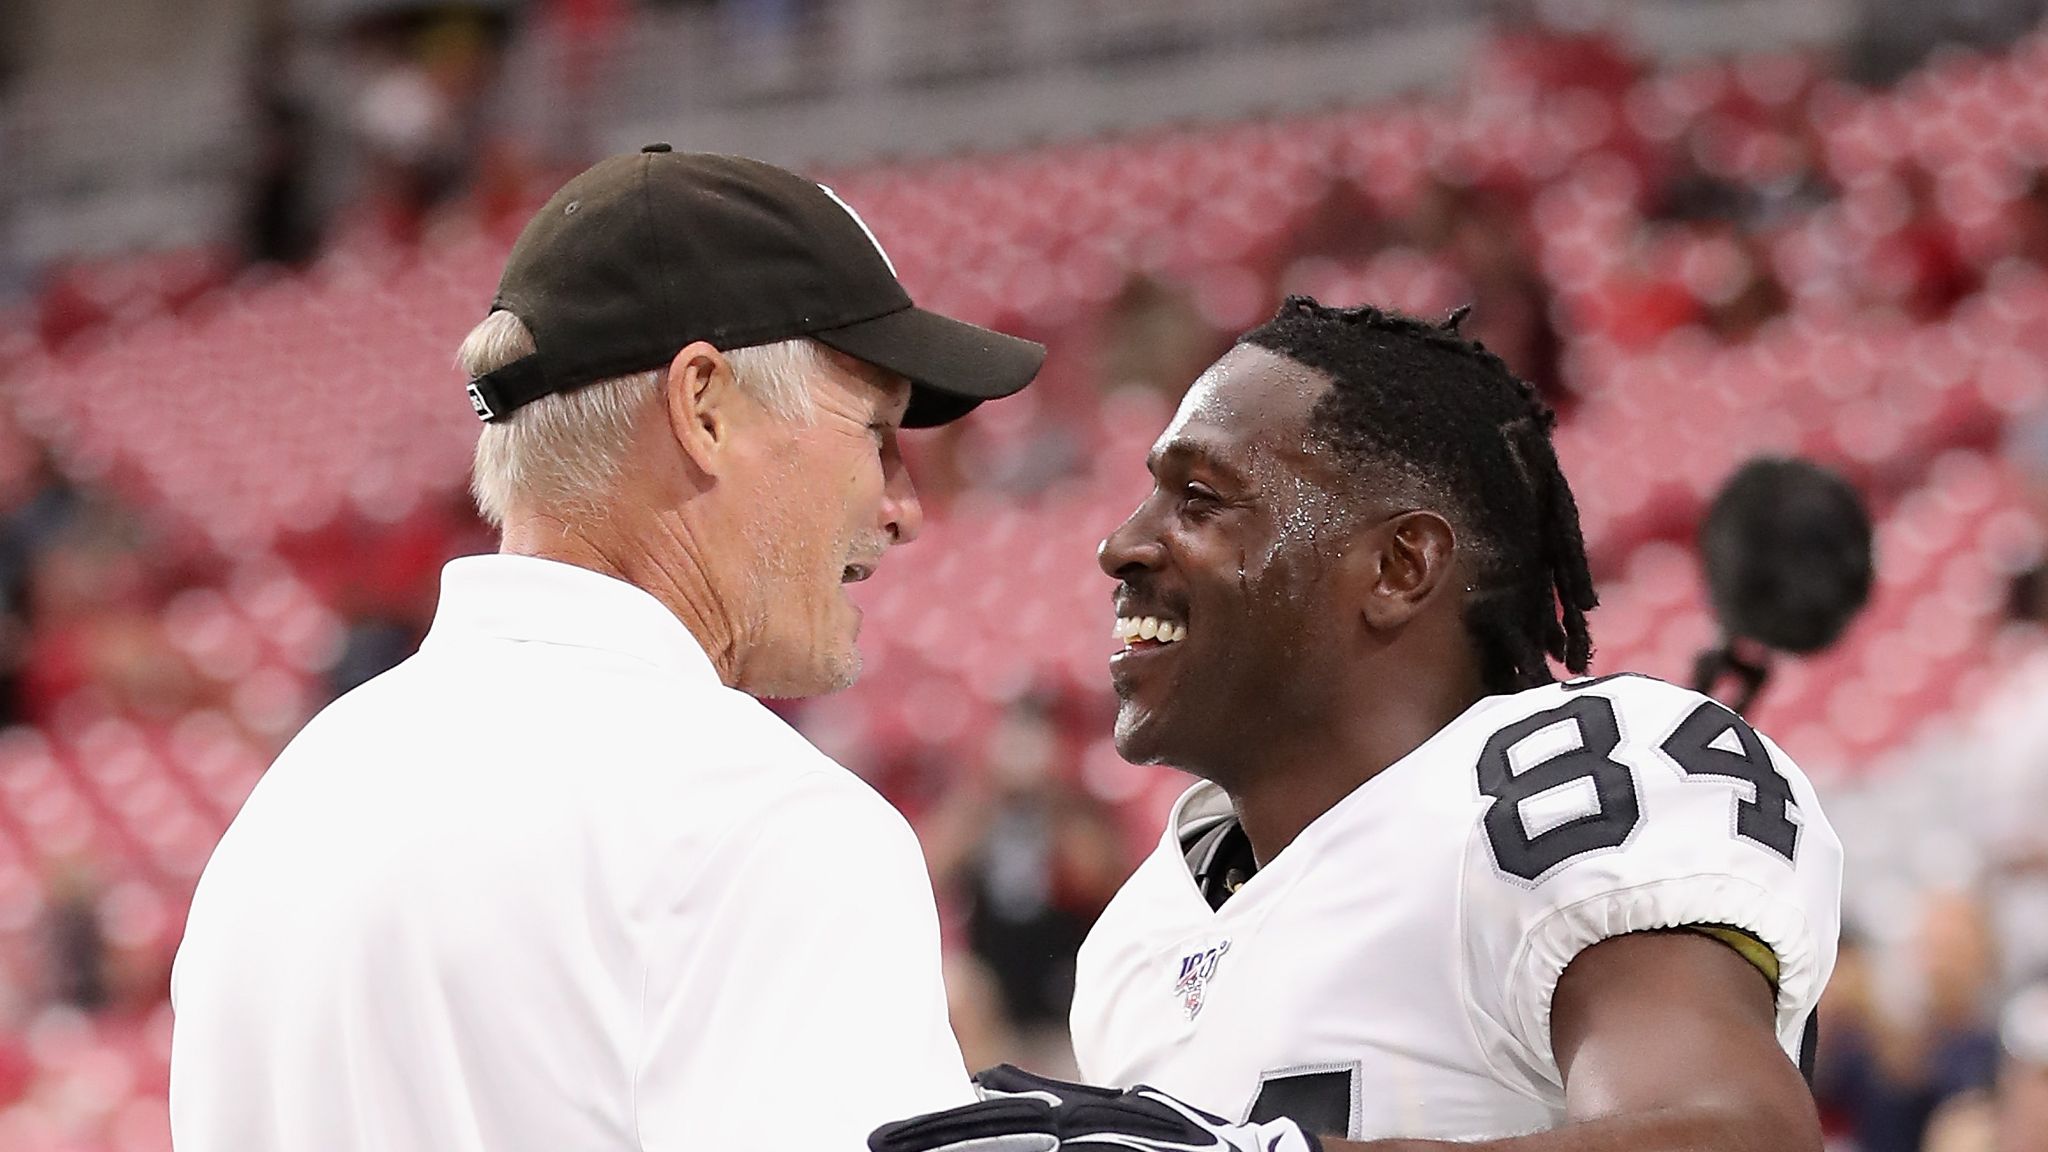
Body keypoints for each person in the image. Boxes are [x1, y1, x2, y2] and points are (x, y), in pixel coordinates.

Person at [169, 146, 1046, 1152]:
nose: (902, 508)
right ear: (705, 406)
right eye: (875, 432)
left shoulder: (294, 799)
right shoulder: (761, 819)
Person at [873, 299, 1843, 1152]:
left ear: (1396, 567)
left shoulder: (1562, 778)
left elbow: (1738, 1137)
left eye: (1198, 498)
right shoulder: (1141, 931)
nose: (1119, 542)